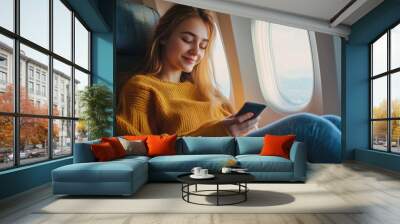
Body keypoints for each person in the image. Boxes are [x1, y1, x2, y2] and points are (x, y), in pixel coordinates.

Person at [116, 4, 259, 137]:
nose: (196, 51)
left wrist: (247, 129)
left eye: (203, 46)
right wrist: (220, 131)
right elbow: (142, 150)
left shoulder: (207, 91)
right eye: (187, 39)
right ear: (164, 37)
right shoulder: (141, 89)